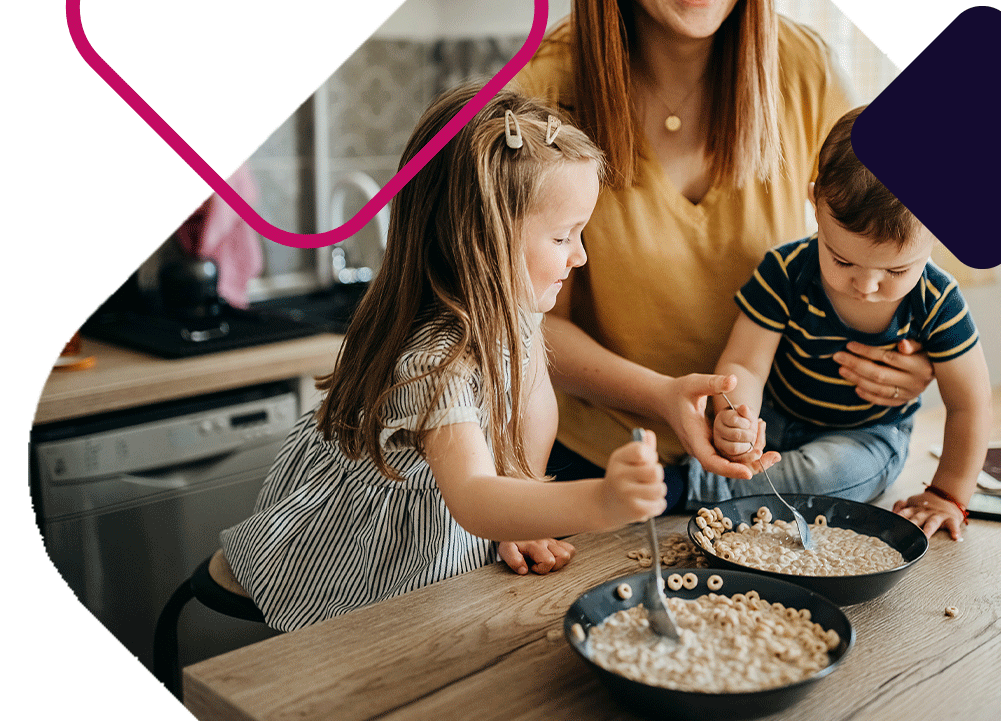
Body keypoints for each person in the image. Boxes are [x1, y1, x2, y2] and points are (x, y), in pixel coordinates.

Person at [516, 0, 937, 502]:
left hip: (772, 454)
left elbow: (898, 231)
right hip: (603, 470)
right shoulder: (542, 93)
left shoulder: (803, 64)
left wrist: (912, 356)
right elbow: (526, 324)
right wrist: (659, 396)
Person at [220, 86, 668, 631]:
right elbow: (475, 497)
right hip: (357, 563)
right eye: (562, 237)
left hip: (449, 534)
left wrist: (519, 508)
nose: (580, 255)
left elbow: (534, 410)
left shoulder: (517, 311)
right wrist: (601, 502)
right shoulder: (434, 362)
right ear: (486, 241)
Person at [710, 107, 994, 538]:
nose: (865, 285)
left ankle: (694, 488)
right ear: (816, 205)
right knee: (708, 431)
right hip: (778, 415)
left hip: (867, 433)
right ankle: (721, 477)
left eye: (895, 271)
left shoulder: (937, 300)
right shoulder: (786, 270)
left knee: (836, 476)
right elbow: (745, 365)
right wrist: (741, 421)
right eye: (841, 259)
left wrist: (948, 494)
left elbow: (969, 404)